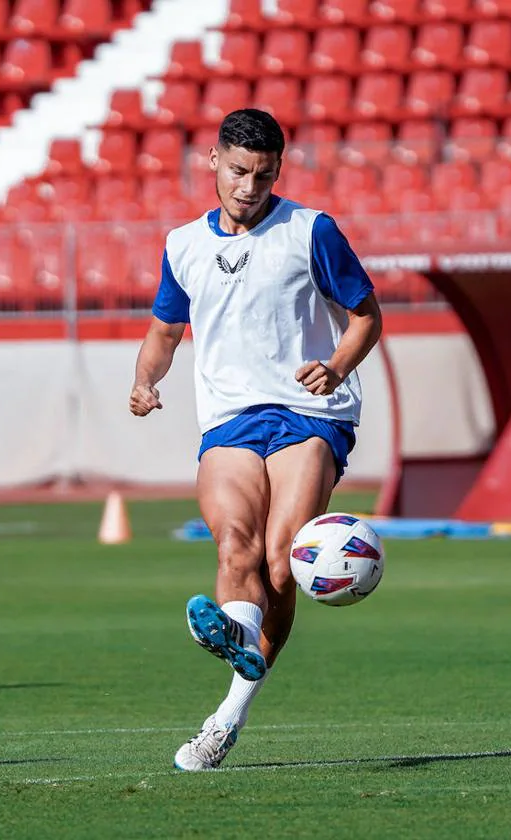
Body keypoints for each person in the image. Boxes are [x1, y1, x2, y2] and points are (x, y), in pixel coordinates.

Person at [128, 108, 383, 771]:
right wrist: (144, 382)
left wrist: (338, 365)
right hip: (230, 419)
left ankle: (226, 716)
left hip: (310, 412)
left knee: (280, 561)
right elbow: (163, 332)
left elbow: (366, 316)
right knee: (234, 539)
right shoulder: (183, 244)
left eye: (263, 175)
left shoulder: (311, 231)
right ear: (213, 160)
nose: (248, 187)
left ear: (279, 170)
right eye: (238, 171)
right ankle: (236, 639)